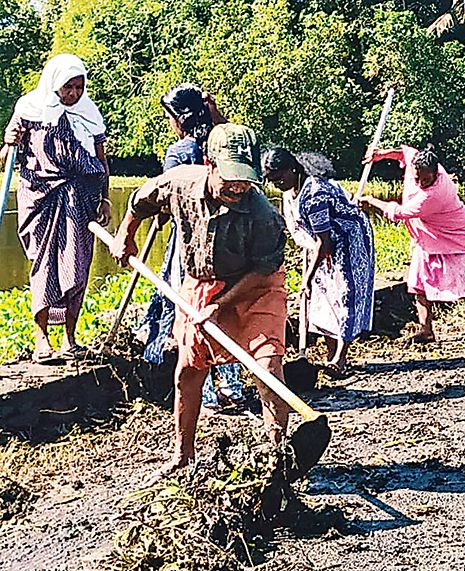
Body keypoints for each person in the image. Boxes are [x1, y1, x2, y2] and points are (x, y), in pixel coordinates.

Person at [110, 124, 290, 476]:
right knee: (189, 372)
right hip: (201, 283)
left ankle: (276, 457)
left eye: (246, 178)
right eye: (230, 178)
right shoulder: (178, 183)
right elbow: (140, 202)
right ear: (209, 164)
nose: (238, 187)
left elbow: (265, 268)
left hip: (256, 287)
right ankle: (182, 454)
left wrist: (220, 305)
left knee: (267, 368)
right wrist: (124, 234)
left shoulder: (262, 215)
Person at [137, 83, 245, 412]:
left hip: (190, 241)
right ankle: (232, 387)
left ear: (178, 119)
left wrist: (157, 214)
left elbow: (170, 193)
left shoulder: (180, 152)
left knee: (191, 307)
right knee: (221, 307)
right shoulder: (222, 143)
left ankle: (205, 392)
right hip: (228, 239)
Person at [3, 54, 110, 364]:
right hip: (40, 196)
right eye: (68, 87)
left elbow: (102, 161)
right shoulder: (28, 110)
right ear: (54, 84)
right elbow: (5, 158)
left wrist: (104, 198)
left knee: (76, 266)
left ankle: (69, 338)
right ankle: (42, 338)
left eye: (79, 87)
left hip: (80, 197)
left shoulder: (89, 114)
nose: (73, 94)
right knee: (43, 265)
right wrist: (9, 142)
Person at [359, 144, 465, 345]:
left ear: (436, 172)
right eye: (417, 178)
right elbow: (405, 152)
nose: (421, 183)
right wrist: (382, 154)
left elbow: (401, 213)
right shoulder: (418, 160)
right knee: (419, 283)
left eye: (426, 180)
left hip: (454, 235)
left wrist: (371, 201)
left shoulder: (434, 194)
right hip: (427, 235)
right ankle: (426, 329)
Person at [263, 148, 375, 376]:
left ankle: (340, 360)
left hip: (349, 239)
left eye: (279, 179)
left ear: (292, 170)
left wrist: (306, 279)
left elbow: (323, 242)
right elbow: (309, 235)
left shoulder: (315, 194)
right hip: (322, 242)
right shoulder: (291, 191)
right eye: (272, 181)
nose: (277, 185)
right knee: (324, 296)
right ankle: (330, 353)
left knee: (345, 294)